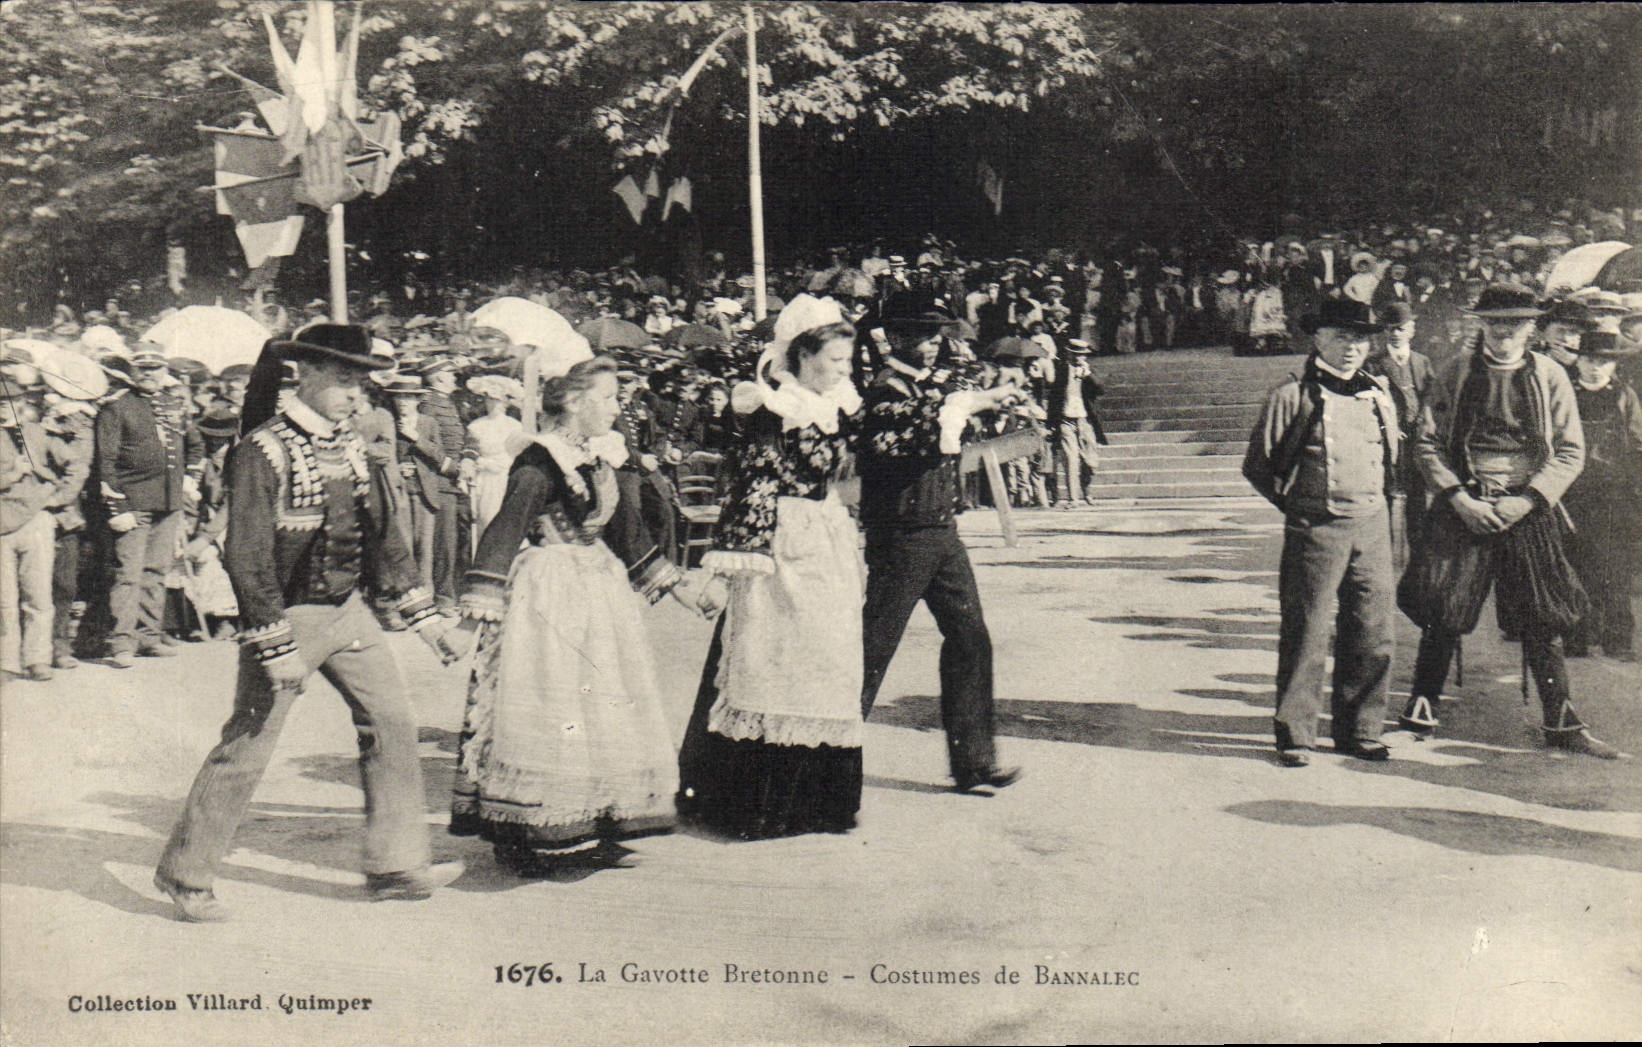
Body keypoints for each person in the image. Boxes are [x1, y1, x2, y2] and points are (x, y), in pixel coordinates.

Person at [154, 325, 465, 923]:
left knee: (393, 722)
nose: (358, 397)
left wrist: (424, 619)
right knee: (249, 743)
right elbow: (245, 555)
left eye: (362, 385)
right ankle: (186, 876)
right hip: (286, 615)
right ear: (311, 376)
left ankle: (396, 866)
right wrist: (274, 645)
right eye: (348, 383)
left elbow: (383, 539)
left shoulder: (352, 445)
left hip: (349, 612)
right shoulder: (261, 450)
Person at [446, 355, 689, 875]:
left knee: (603, 702)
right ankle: (531, 831)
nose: (614, 407)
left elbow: (628, 534)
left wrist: (680, 589)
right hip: (547, 591)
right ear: (574, 403)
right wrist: (471, 621)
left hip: (598, 590)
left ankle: (596, 823)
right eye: (605, 397)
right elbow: (504, 532)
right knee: (550, 703)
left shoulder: (600, 457)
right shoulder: (539, 461)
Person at [1394, 286, 1620, 759]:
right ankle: (1420, 711)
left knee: (1542, 614)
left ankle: (1562, 722)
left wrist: (1530, 500)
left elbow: (1570, 451)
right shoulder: (1456, 373)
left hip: (1527, 508)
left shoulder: (1550, 375)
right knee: (1444, 608)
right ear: (1481, 324)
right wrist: (1457, 497)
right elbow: (1427, 444)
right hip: (1466, 506)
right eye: (1495, 322)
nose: (1504, 332)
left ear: (1531, 327)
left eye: (1515, 323)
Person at [676, 300, 866, 838]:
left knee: (826, 665)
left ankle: (819, 804)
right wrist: (730, 567)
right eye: (835, 359)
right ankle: (758, 807)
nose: (844, 370)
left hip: (826, 540)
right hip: (782, 549)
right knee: (771, 663)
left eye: (848, 360)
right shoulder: (771, 408)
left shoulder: (836, 404)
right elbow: (752, 488)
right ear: (803, 356)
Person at [857, 293, 1023, 792]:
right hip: (902, 533)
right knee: (872, 648)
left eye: (937, 336)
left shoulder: (926, 386)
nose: (933, 345)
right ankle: (819, 755)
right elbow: (904, 439)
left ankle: (974, 761)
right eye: (923, 336)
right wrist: (964, 402)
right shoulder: (885, 389)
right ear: (898, 338)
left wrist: (975, 401)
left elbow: (944, 421)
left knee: (971, 638)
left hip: (939, 530)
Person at [1243, 299, 1399, 767]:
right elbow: (1259, 466)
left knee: (1373, 630)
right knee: (1308, 629)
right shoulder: (1292, 396)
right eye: (1340, 337)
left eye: (1359, 339)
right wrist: (1301, 509)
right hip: (1316, 527)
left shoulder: (1379, 392)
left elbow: (1393, 459)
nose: (1351, 348)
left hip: (1372, 526)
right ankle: (1296, 734)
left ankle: (1363, 730)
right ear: (1318, 339)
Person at [94, 348, 191, 667]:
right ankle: (121, 641)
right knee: (128, 574)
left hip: (168, 500)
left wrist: (188, 482)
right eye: (143, 369)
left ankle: (149, 636)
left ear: (164, 371)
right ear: (133, 372)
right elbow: (106, 461)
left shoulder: (174, 405)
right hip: (133, 502)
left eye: (155, 368)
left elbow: (193, 445)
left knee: (157, 571)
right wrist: (117, 505)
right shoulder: (117, 406)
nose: (149, 374)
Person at [1561, 329, 1642, 660]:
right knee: (1573, 563)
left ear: (1614, 365)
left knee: (1615, 567)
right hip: (1571, 492)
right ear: (1578, 360)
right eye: (1589, 360)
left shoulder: (1624, 396)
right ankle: (1577, 634)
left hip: (1613, 494)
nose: (1596, 368)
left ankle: (1618, 638)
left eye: (1604, 362)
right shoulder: (1565, 392)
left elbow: (1638, 442)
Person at [1363, 301, 1434, 572]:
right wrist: (1389, 426)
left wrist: (1424, 421)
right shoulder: (1375, 363)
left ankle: (1417, 560)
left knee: (1417, 497)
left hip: (1416, 439)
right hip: (1388, 440)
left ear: (1411, 330)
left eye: (1401, 329)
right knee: (1388, 494)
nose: (1395, 334)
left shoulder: (1422, 361)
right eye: (1391, 329)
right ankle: (1384, 559)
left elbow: (1431, 395)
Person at [1, 359, 57, 682]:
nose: (7, 408)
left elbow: (73, 463)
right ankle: (7, 661)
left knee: (38, 594)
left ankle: (38, 658)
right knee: (3, 600)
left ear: (23, 403)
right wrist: (13, 473)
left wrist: (55, 497)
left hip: (35, 520)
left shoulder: (37, 432)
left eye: (13, 402)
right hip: (2, 524)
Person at [461, 374, 528, 548]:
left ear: (505, 402)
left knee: (507, 519)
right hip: (484, 479)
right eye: (489, 400)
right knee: (485, 519)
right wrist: (478, 464)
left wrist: (495, 464)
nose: (493, 404)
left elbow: (517, 454)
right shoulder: (476, 426)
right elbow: (471, 451)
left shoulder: (514, 426)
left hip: (505, 477)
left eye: (497, 400)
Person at [1046, 338, 1105, 507]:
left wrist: (1088, 375)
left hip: (1085, 420)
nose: (1080, 358)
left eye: (1083, 355)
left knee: (1089, 460)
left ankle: (1087, 491)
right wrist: (1051, 424)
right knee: (1070, 459)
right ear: (1070, 355)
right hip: (1066, 421)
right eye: (1077, 355)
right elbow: (1054, 398)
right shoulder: (1062, 370)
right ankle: (1073, 499)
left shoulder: (1089, 372)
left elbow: (1101, 390)